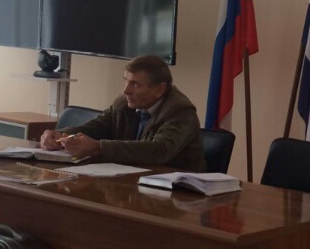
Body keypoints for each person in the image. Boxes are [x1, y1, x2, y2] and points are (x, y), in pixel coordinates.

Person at [40, 55, 206, 171]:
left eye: (135, 84)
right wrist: (61, 136)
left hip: (179, 195)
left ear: (159, 89)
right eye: (126, 81)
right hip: (133, 182)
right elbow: (96, 127)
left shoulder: (180, 112)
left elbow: (159, 150)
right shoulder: (124, 103)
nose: (126, 90)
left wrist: (98, 148)